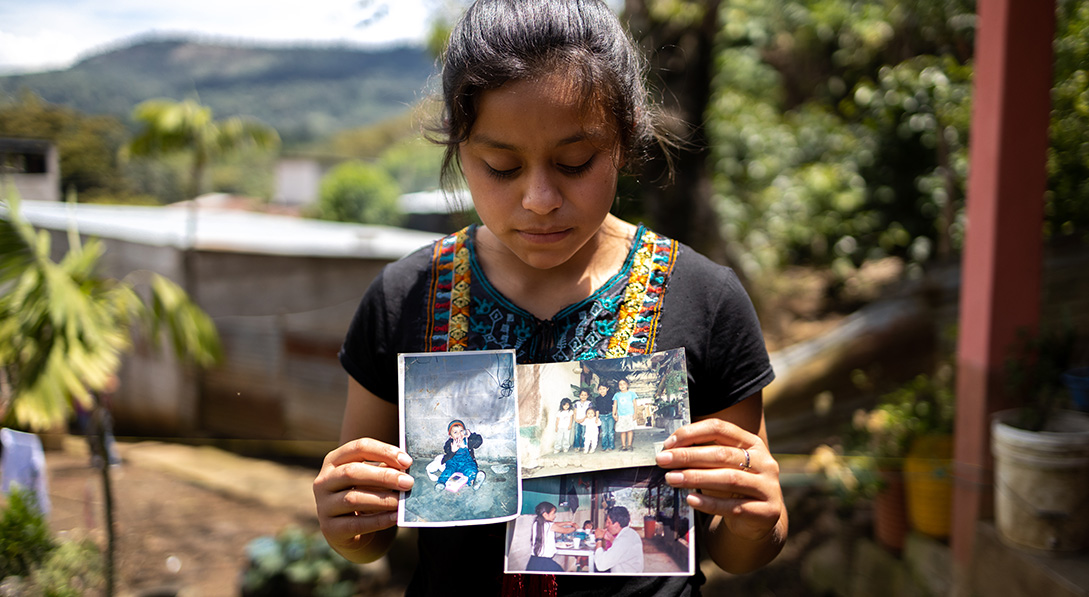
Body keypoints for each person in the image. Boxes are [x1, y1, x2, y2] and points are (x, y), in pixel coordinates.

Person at [313, 0, 788, 594]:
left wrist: (755, 517)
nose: (539, 198)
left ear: (626, 136)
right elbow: (371, 534)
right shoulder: (404, 298)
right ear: (459, 148)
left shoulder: (706, 300)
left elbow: (737, 548)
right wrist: (345, 520)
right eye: (501, 167)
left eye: (574, 162)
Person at [526, 501, 576, 572]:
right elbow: (566, 530)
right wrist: (575, 528)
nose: (554, 516)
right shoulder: (550, 526)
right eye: (553, 513)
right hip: (544, 563)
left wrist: (566, 523)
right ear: (545, 515)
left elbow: (553, 524)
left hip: (534, 561)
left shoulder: (537, 522)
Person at [435, 420, 484, 491]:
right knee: (448, 471)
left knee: (471, 470)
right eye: (455, 432)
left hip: (466, 463)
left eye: (461, 431)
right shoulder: (450, 443)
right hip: (453, 463)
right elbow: (446, 450)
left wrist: (470, 436)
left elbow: (479, 441)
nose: (459, 434)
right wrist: (452, 451)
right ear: (451, 436)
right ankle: (441, 483)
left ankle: (474, 482)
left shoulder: (467, 440)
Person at [594, 506, 644, 574]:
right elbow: (622, 550)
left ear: (616, 525)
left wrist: (598, 539)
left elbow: (600, 565)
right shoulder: (631, 533)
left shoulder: (623, 541)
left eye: (609, 522)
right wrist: (611, 538)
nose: (606, 525)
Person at [613, 377, 638, 451]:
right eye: (620, 384)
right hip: (621, 415)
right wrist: (614, 414)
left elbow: (635, 404)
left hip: (630, 414)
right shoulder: (617, 395)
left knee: (630, 430)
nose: (622, 386)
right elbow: (615, 405)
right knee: (622, 431)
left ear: (627, 385)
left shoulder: (632, 394)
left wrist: (635, 413)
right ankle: (623, 446)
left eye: (624, 384)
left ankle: (629, 445)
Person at [595, 382, 616, 451]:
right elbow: (597, 409)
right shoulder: (597, 399)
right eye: (600, 389)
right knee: (604, 432)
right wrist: (597, 418)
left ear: (607, 389)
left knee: (610, 432)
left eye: (604, 389)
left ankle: (611, 446)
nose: (602, 390)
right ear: (598, 390)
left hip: (610, 415)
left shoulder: (611, 397)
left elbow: (614, 406)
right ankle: (604, 446)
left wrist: (615, 414)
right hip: (602, 416)